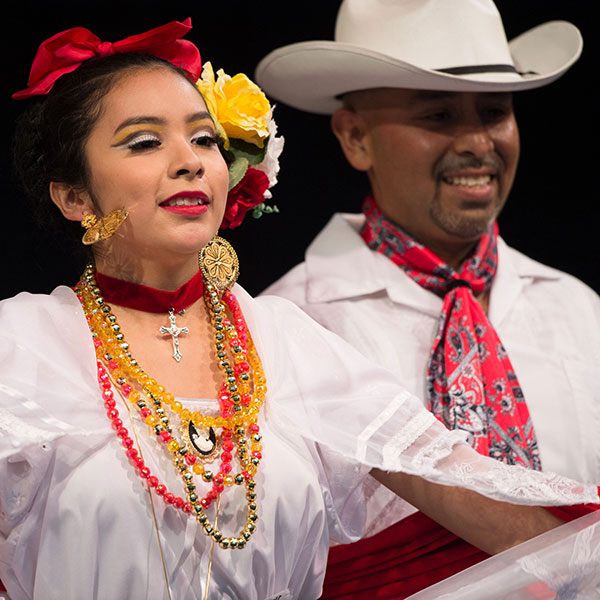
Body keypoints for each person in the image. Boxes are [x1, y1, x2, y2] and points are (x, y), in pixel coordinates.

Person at [0, 17, 597, 600]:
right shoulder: (23, 346)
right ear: (74, 195)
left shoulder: (284, 341)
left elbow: (465, 487)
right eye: (145, 141)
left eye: (205, 138)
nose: (190, 160)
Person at [255, 0, 600, 597]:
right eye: (438, 115)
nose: (476, 143)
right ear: (355, 136)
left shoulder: (577, 311)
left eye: (495, 112)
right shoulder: (290, 331)